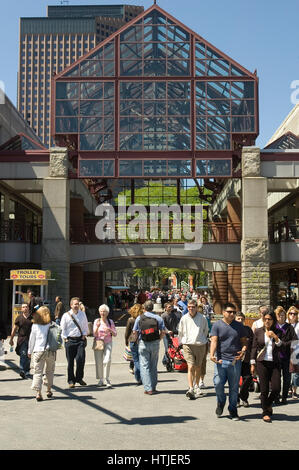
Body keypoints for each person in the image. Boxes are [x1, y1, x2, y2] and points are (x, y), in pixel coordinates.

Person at [210, 302, 248, 421]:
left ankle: (233, 410)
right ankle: (221, 402)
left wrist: (243, 351)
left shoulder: (239, 326)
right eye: (229, 312)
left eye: (233, 312)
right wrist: (211, 354)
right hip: (221, 360)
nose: (232, 314)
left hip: (235, 361)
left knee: (234, 387)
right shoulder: (217, 325)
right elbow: (214, 341)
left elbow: (244, 341)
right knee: (218, 383)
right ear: (223, 313)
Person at [250, 310, 284, 422]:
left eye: (269, 319)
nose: (267, 321)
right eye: (265, 319)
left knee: (276, 388)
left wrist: (275, 337)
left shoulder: (278, 331)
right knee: (264, 390)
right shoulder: (258, 331)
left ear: (273, 320)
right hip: (262, 363)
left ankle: (268, 404)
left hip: (275, 363)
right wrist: (252, 363)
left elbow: (282, 346)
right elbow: (254, 348)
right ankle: (265, 412)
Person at [132, 300, 166, 395]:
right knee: (153, 365)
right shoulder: (158, 318)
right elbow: (163, 332)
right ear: (152, 308)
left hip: (143, 343)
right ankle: (154, 386)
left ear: (144, 308)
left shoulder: (139, 318)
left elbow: (135, 331)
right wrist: (158, 339)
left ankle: (148, 388)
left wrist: (137, 340)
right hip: (155, 343)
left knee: (144, 366)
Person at [178, 299, 209, 400]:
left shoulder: (202, 318)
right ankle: (191, 388)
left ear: (196, 308)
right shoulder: (184, 318)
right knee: (190, 366)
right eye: (189, 307)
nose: (191, 308)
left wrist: (201, 339)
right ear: (187, 307)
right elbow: (180, 331)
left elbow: (205, 331)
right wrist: (181, 342)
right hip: (188, 344)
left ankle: (196, 386)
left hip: (200, 345)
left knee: (198, 367)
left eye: (193, 307)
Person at [27, 306, 56, 401]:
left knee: (37, 372)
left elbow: (32, 340)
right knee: (50, 371)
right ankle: (48, 390)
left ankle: (38, 393)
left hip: (38, 350)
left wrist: (29, 351)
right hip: (51, 351)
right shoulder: (52, 324)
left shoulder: (35, 325)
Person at [60, 297, 89, 388]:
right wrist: (65, 339)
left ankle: (79, 378)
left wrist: (84, 335)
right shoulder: (66, 315)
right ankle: (71, 380)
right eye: (74, 304)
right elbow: (62, 328)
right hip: (70, 340)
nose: (76, 306)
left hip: (80, 340)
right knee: (70, 362)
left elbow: (85, 326)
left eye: (77, 304)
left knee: (81, 359)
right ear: (71, 305)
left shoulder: (82, 314)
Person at [274, 306, 298, 404]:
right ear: (276, 316)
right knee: (276, 378)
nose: (281, 317)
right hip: (275, 356)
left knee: (287, 377)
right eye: (279, 316)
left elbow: (295, 340)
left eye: (283, 315)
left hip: (287, 356)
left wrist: (283, 344)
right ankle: (276, 396)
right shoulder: (273, 327)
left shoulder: (289, 327)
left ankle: (284, 397)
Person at [93, 304, 117, 388]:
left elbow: (115, 334)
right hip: (98, 342)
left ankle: (107, 378)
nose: (102, 313)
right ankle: (100, 379)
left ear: (107, 313)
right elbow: (94, 334)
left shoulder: (110, 321)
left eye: (104, 311)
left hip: (108, 342)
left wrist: (110, 330)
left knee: (107, 360)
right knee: (99, 361)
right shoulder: (97, 321)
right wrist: (97, 327)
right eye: (101, 311)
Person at [9, 303, 33, 379]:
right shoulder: (19, 318)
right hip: (22, 339)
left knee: (28, 355)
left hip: (31, 340)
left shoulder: (32, 318)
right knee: (23, 354)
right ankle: (22, 370)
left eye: (26, 307)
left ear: (28, 308)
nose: (25, 308)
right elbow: (14, 329)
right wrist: (11, 339)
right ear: (21, 309)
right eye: (23, 307)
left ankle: (27, 370)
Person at [235, 312, 254, 407]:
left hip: (247, 359)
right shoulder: (232, 329)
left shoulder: (248, 330)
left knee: (248, 378)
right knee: (234, 381)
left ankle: (243, 396)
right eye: (238, 319)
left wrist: (253, 358)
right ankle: (236, 400)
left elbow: (253, 344)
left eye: (242, 319)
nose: (240, 321)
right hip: (235, 359)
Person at [125, 303, 143, 384]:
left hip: (133, 340)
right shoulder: (142, 319)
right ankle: (142, 376)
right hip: (142, 340)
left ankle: (138, 377)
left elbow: (127, 332)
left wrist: (126, 340)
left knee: (135, 360)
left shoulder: (130, 319)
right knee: (142, 359)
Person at [161, 302, 182, 367]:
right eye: (169, 307)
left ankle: (165, 360)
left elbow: (177, 324)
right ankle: (167, 362)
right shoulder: (163, 315)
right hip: (165, 334)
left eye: (171, 306)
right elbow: (163, 326)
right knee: (167, 347)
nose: (171, 308)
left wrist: (177, 331)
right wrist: (167, 331)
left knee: (172, 348)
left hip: (172, 333)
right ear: (165, 308)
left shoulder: (174, 315)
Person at [287, 306, 299, 398]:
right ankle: (288, 388)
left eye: (294, 314)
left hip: (296, 349)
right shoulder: (286, 324)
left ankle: (294, 390)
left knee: (295, 371)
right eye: (291, 313)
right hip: (286, 349)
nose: (292, 315)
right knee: (287, 370)